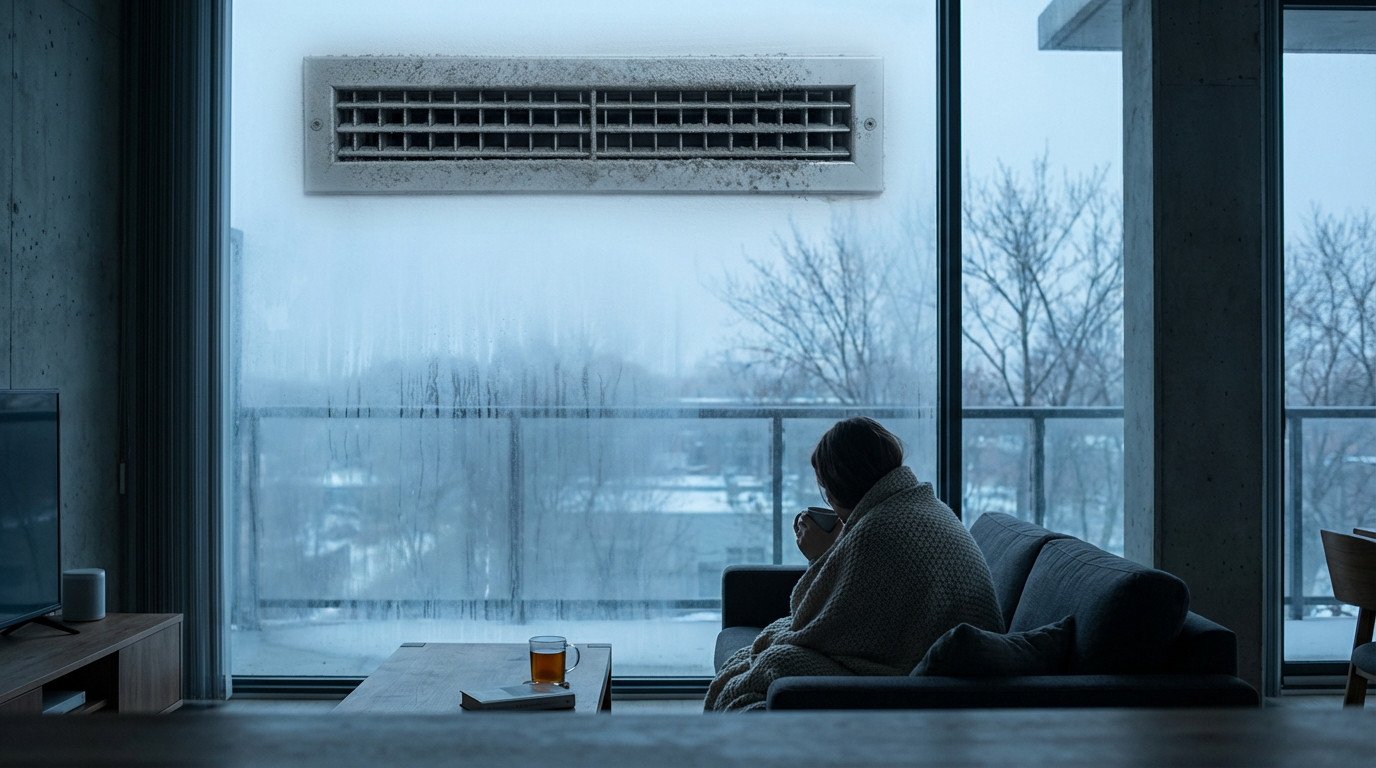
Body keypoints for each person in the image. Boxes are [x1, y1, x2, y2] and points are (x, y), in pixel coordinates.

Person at [704, 416, 1003, 712]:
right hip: (955, 665)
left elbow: (813, 625)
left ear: (839, 486)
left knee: (779, 660)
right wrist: (840, 548)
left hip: (914, 678)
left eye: (826, 488)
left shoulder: (877, 532)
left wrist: (823, 557)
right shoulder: (922, 505)